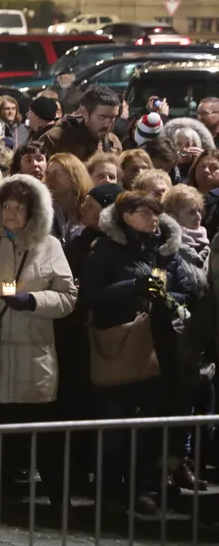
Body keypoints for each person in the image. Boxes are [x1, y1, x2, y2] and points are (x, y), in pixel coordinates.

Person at [0, 175, 77, 499]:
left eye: (19, 207)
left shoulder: (50, 246)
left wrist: (35, 301)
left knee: (39, 429)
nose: (11, 213)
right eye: (6, 205)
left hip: (33, 353)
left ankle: (57, 495)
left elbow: (68, 297)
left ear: (33, 211)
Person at [80, 191, 197, 512]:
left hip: (158, 348)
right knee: (114, 425)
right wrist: (133, 287)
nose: (153, 219)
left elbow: (186, 290)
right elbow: (90, 296)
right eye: (144, 212)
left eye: (155, 212)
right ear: (125, 215)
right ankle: (106, 490)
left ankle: (141, 487)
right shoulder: (106, 250)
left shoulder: (165, 251)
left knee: (149, 424)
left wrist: (164, 295)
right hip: (120, 346)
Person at [38, 86, 122, 161]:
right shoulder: (54, 140)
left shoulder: (114, 142)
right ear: (84, 112)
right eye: (102, 117)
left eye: (112, 118)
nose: (108, 124)